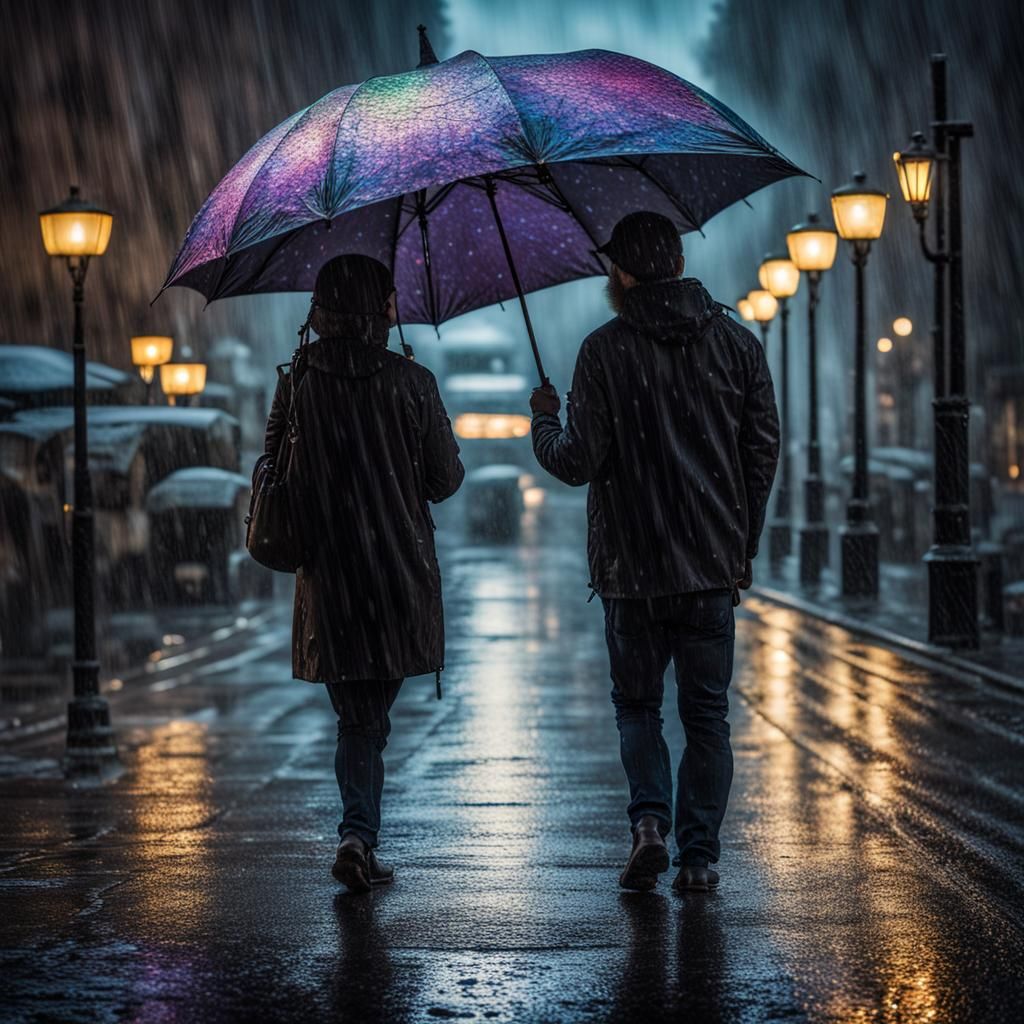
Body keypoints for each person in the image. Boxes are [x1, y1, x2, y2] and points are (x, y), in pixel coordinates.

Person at [529, 211, 779, 893]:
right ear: (678, 263)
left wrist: (544, 421)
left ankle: (648, 825)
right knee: (706, 717)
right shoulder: (737, 345)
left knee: (638, 707)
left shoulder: (603, 351)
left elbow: (577, 462)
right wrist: (741, 542)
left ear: (623, 273)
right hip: (707, 570)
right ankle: (698, 858)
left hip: (632, 572)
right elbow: (762, 453)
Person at [264, 254, 464, 893]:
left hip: (331, 577)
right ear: (380, 308)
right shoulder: (412, 381)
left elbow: (272, 467)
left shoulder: (298, 382)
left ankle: (358, 835)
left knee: (357, 716)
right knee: (368, 716)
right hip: (397, 572)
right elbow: (445, 478)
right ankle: (358, 836)